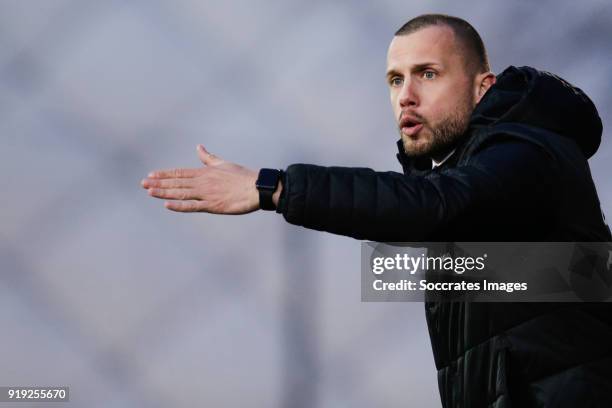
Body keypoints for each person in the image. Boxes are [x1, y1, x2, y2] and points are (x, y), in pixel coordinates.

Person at [141, 14, 612, 408]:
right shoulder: (464, 175)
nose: (406, 94)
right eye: (395, 79)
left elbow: (434, 205)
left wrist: (275, 187)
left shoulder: (529, 151)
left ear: (482, 87)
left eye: (428, 73)